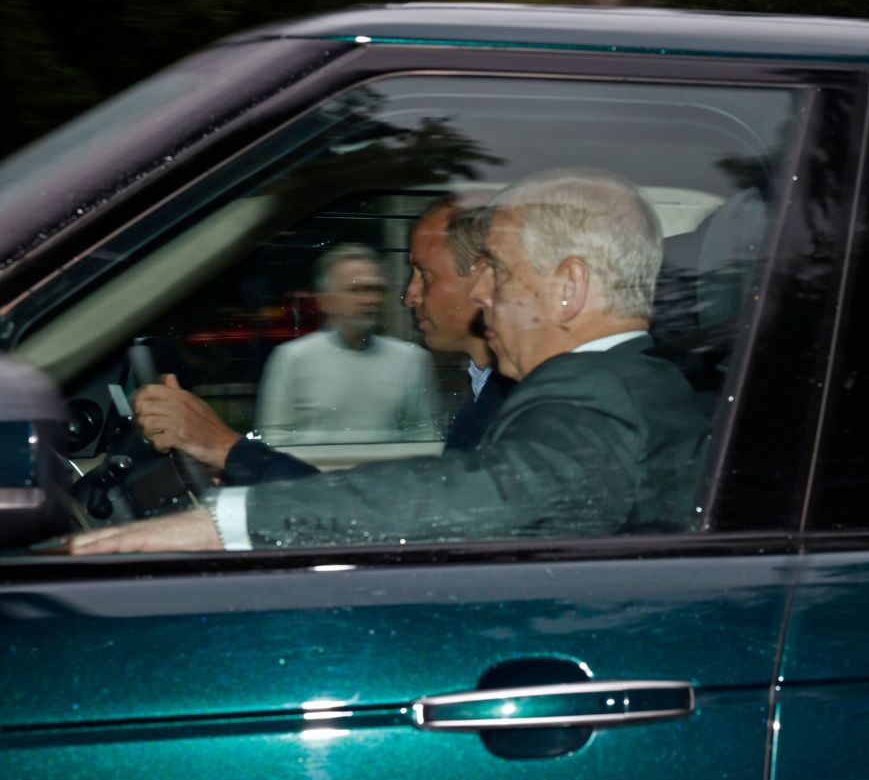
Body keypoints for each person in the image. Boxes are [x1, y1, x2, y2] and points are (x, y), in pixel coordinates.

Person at [71, 167, 712, 553]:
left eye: (499, 271)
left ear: (568, 288)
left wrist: (221, 525)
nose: (482, 293)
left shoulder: (602, 397)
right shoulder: (626, 382)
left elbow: (484, 496)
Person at [133, 198, 508, 483]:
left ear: (482, 281)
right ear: (327, 301)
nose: (407, 297)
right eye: (355, 290)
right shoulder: (488, 395)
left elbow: (407, 517)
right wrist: (235, 461)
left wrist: (225, 449)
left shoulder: (509, 406)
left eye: (424, 275)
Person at [251, 243, 439, 446]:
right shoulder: (292, 358)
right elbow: (274, 441)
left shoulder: (411, 359)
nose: (370, 299)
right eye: (356, 289)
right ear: (326, 302)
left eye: (375, 289)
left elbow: (424, 438)